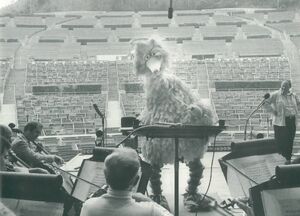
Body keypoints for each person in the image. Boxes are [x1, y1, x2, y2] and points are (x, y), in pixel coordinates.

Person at [80, 148, 173, 216]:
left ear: (105, 177)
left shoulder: (88, 207)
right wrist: (148, 200)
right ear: (136, 181)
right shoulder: (149, 211)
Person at [263, 80, 300, 163]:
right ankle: (280, 162)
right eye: (282, 86)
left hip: (291, 121)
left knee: (290, 140)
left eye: (285, 86)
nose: (283, 88)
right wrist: (273, 111)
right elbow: (265, 102)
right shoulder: (276, 94)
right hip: (280, 123)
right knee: (281, 142)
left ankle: (288, 160)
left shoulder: (293, 95)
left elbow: (298, 104)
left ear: (289, 88)